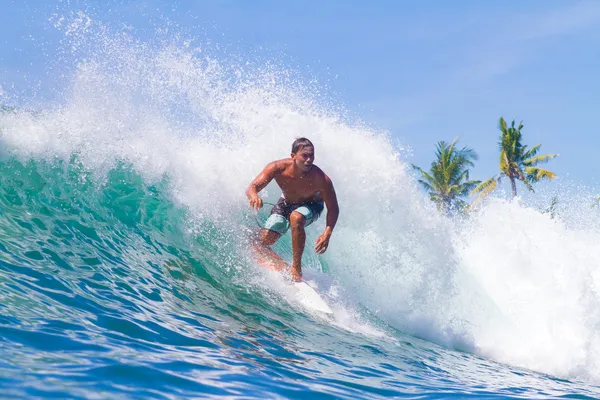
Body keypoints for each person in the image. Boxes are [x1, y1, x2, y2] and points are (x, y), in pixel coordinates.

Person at [245, 138, 339, 281]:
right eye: (304, 155)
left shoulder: (321, 178)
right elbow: (252, 187)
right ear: (293, 155)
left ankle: (296, 268)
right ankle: (255, 235)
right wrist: (254, 196)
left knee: (296, 217)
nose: (309, 160)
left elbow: (333, 208)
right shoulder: (277, 167)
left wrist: (327, 232)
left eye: (311, 155)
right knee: (266, 239)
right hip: (286, 202)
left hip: (312, 205)